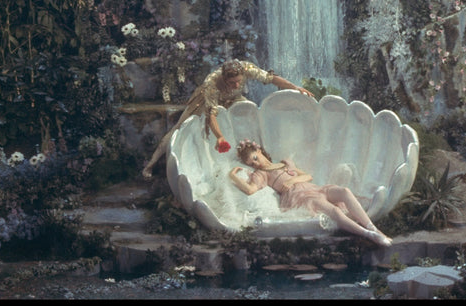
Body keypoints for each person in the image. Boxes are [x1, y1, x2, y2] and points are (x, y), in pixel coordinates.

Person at [142, 59, 314, 179]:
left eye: (239, 82)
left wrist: (294, 87)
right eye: (232, 83)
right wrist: (219, 137)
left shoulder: (246, 68)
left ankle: (258, 158)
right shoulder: (212, 83)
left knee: (251, 115)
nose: (237, 85)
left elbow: (271, 79)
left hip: (233, 99)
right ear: (224, 79)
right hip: (205, 102)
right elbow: (212, 114)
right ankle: (151, 164)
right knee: (179, 128)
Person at [229, 139, 393, 247]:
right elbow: (250, 190)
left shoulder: (283, 163)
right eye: (251, 163)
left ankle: (374, 229)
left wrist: (293, 179)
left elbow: (308, 176)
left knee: (344, 191)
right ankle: (368, 234)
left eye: (255, 158)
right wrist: (233, 175)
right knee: (335, 211)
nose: (256, 164)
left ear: (259, 151)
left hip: (311, 188)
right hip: (298, 197)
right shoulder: (260, 174)